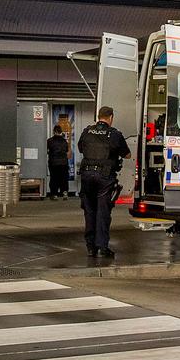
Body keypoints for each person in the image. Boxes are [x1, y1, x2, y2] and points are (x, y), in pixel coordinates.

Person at [77, 106, 131, 258]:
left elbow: (81, 148)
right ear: (111, 117)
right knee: (103, 212)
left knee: (89, 211)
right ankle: (102, 246)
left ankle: (90, 247)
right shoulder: (114, 134)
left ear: (98, 116)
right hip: (104, 178)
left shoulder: (87, 131)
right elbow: (127, 154)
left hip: (87, 176)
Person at [46, 124, 70, 200]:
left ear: (54, 131)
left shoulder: (49, 141)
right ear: (60, 132)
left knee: (54, 178)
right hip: (64, 163)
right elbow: (66, 151)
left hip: (53, 163)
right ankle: (65, 192)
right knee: (64, 178)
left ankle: (54, 194)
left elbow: (47, 151)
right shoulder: (64, 141)